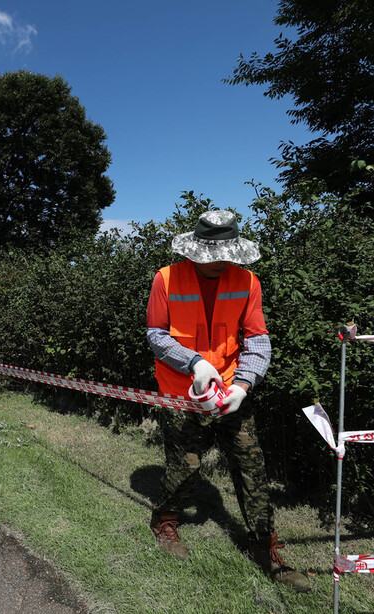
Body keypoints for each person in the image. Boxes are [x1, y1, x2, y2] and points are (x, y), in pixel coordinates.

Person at [145, 210, 309, 592]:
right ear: (195, 249)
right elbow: (155, 334)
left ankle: (263, 544)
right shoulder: (166, 278)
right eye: (211, 252)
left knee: (250, 463)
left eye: (226, 252)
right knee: (185, 465)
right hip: (180, 390)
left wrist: (244, 384)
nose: (219, 261)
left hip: (231, 389)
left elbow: (256, 339)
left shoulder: (248, 280)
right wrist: (193, 362)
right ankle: (165, 521)